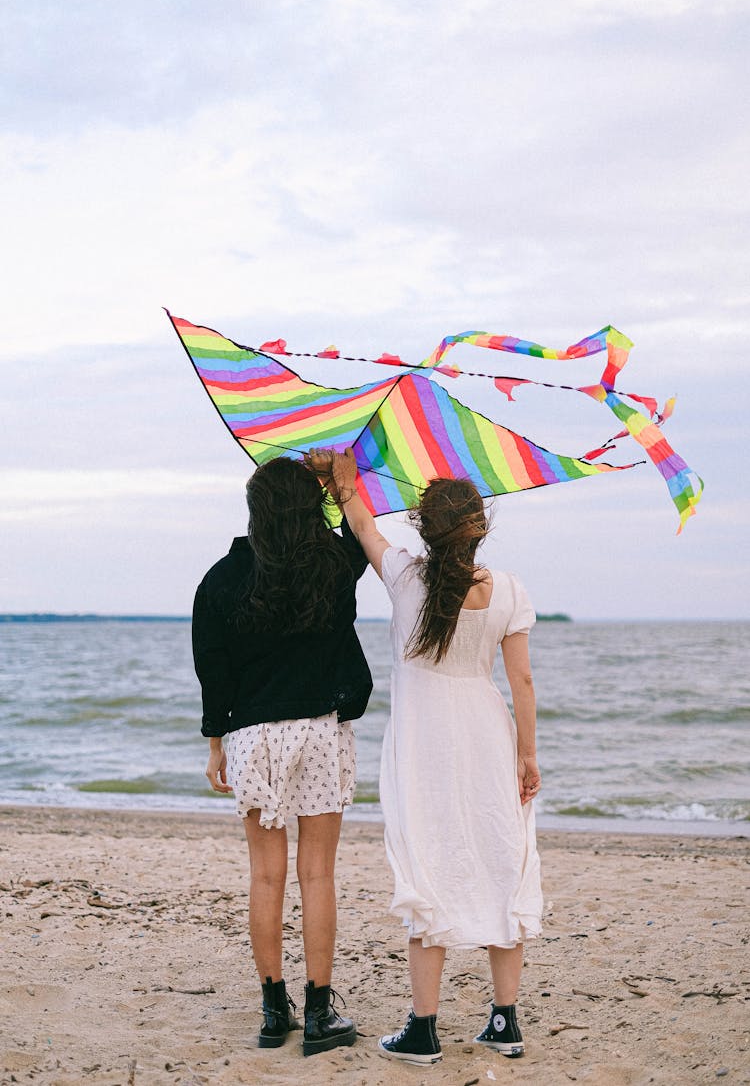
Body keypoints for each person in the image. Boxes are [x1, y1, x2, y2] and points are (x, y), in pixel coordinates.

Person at [328, 447, 543, 1066]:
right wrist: (527, 755)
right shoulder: (508, 590)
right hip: (487, 733)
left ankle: (423, 1028)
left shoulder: (405, 577)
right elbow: (522, 683)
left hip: (423, 740)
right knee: (503, 860)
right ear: (481, 526)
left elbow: (364, 524)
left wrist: (343, 477)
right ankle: (504, 1020)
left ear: (425, 526)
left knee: (427, 864)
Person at [191, 457, 373, 1056]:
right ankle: (320, 1016)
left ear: (255, 510)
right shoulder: (333, 568)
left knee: (265, 875)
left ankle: (275, 1013)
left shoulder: (220, 579)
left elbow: (212, 671)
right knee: (318, 873)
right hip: (320, 729)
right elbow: (360, 539)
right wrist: (340, 484)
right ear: (308, 506)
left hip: (252, 739)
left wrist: (215, 741)